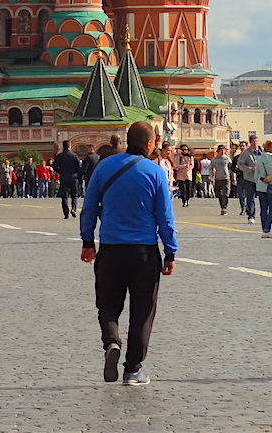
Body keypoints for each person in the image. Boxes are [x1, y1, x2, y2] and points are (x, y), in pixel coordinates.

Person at [79, 120, 177, 387]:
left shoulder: (104, 167)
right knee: (143, 310)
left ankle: (111, 340)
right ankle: (133, 369)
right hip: (144, 252)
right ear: (149, 144)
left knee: (108, 304)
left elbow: (89, 208)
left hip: (110, 250)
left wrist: (88, 241)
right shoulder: (155, 172)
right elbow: (165, 218)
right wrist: (170, 252)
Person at [254, 140, 272, 237]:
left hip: (261, 186)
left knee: (263, 209)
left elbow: (256, 174)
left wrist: (257, 183)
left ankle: (264, 230)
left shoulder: (259, 159)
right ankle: (268, 227)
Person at [235, 136, 261, 224]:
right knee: (250, 197)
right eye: (253, 141)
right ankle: (251, 215)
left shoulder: (261, 152)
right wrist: (250, 169)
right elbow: (240, 165)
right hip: (250, 178)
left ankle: (263, 215)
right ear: (250, 142)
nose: (255, 143)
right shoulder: (246, 153)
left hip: (261, 179)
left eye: (256, 141)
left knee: (263, 197)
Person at [55, 140, 83, 219]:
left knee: (64, 196)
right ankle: (73, 208)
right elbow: (79, 167)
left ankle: (66, 212)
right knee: (74, 194)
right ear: (70, 146)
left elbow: (54, 166)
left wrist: (60, 171)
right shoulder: (74, 156)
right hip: (73, 177)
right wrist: (77, 175)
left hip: (64, 177)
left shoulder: (59, 156)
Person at [209, 145, 232, 216]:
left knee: (226, 193)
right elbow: (210, 168)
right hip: (218, 178)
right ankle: (222, 207)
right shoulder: (214, 159)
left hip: (226, 178)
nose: (222, 151)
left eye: (223, 150)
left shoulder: (227, 159)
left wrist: (233, 177)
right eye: (221, 150)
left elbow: (231, 168)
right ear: (218, 151)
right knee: (219, 194)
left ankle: (224, 208)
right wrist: (211, 176)